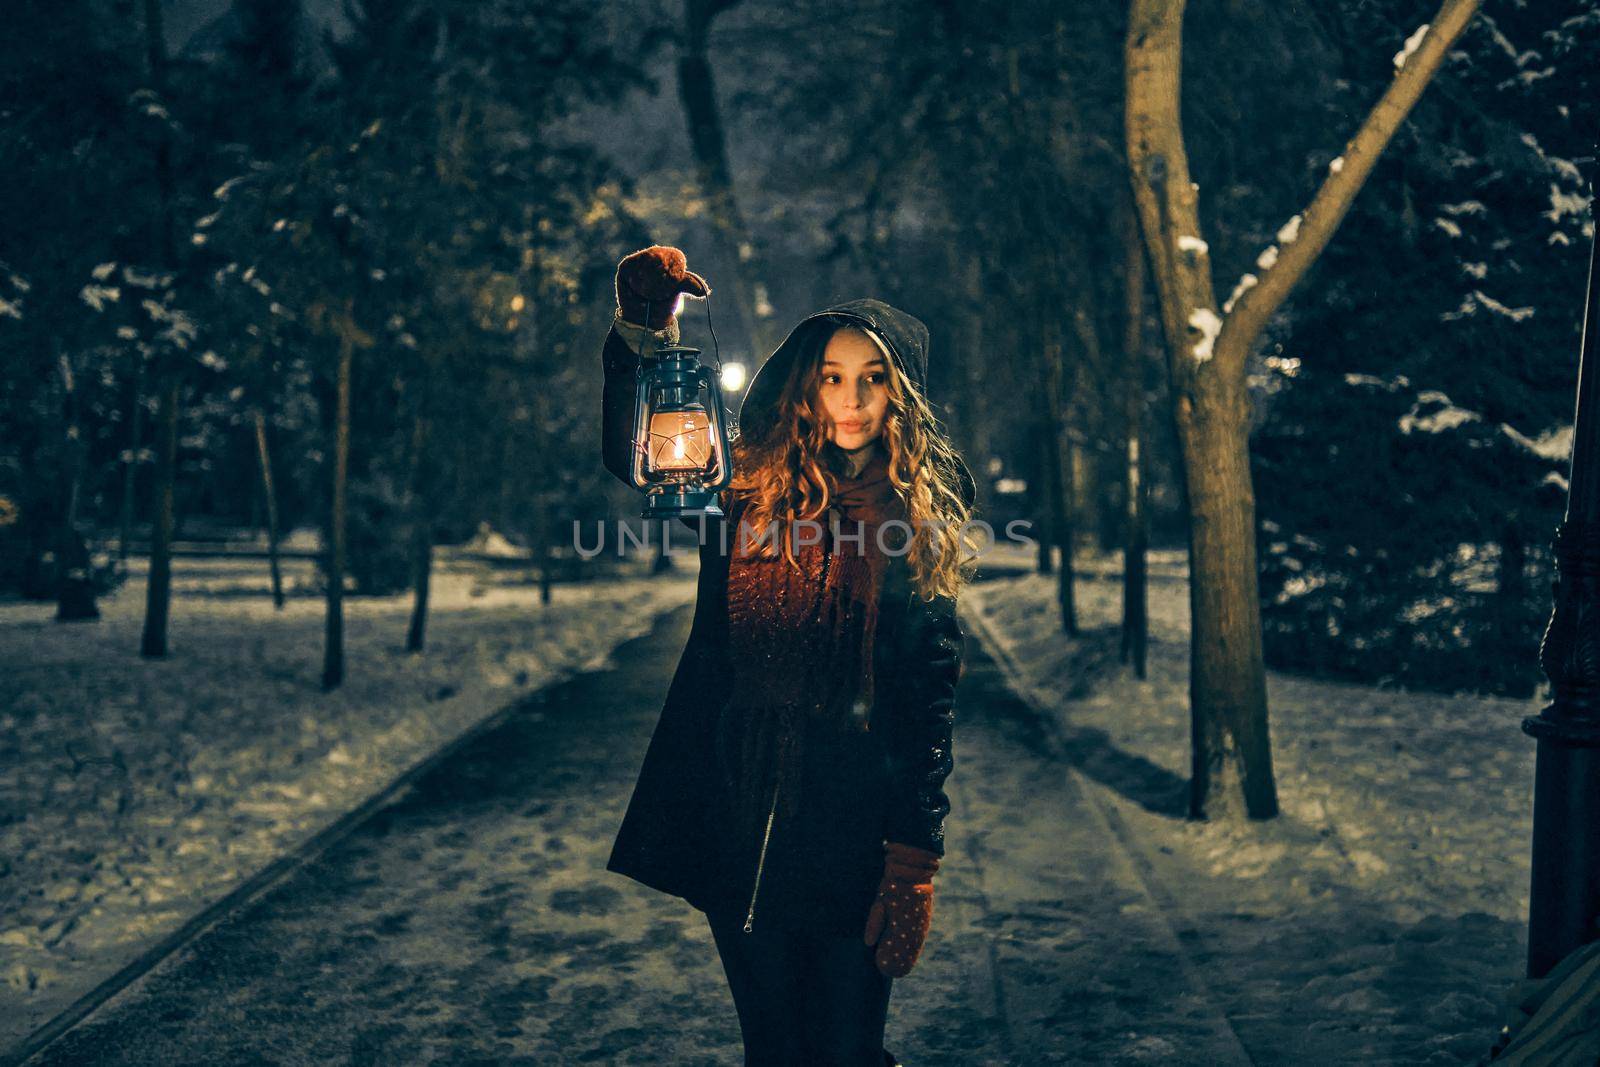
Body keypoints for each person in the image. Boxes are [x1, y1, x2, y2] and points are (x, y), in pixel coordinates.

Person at [599, 245, 977, 1067]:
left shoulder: (912, 527)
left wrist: (914, 859)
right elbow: (637, 453)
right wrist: (641, 334)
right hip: (742, 822)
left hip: (853, 837)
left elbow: (926, 709)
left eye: (872, 376)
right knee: (775, 1051)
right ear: (804, 382)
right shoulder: (738, 491)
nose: (850, 398)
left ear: (899, 392)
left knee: (847, 1051)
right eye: (832, 375)